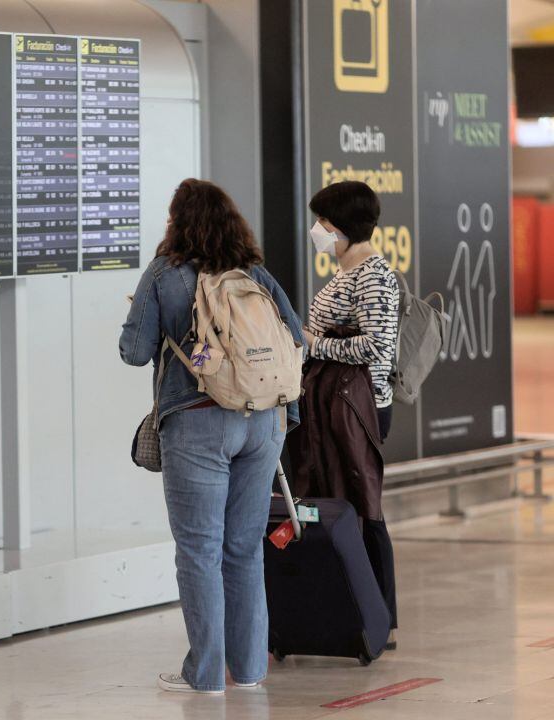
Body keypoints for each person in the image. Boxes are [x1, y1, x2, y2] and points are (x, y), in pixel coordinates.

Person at [120, 179, 304, 694]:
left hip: (199, 421)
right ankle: (248, 672)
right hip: (265, 422)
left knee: (200, 550)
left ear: (177, 222)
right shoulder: (255, 274)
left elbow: (133, 351)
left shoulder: (164, 273)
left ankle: (205, 676)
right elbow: (297, 340)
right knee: (244, 549)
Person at [300, 180, 400, 646]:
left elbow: (378, 347)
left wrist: (315, 343)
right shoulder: (348, 272)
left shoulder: (373, 275)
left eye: (322, 222)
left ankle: (379, 615)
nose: (317, 230)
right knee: (345, 504)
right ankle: (354, 609)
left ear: (341, 227)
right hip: (337, 405)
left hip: (360, 409)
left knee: (364, 508)